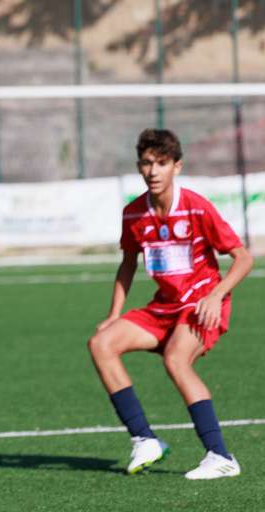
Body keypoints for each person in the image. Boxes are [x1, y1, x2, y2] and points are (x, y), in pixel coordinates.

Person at [87, 129, 254, 480]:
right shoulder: (133, 214)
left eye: (161, 163)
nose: (153, 171)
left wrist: (216, 295)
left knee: (176, 359)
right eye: (147, 163)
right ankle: (144, 439)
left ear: (177, 166)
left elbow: (243, 258)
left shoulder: (196, 207)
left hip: (200, 305)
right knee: (101, 344)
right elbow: (128, 264)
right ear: (139, 166)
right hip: (163, 308)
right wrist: (113, 314)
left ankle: (221, 456)